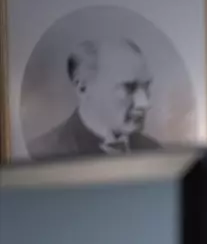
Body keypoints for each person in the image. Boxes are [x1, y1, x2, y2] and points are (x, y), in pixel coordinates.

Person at [27, 38, 160, 159]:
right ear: (83, 88)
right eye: (129, 87)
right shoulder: (42, 153)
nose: (145, 103)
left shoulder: (155, 152)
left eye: (146, 86)